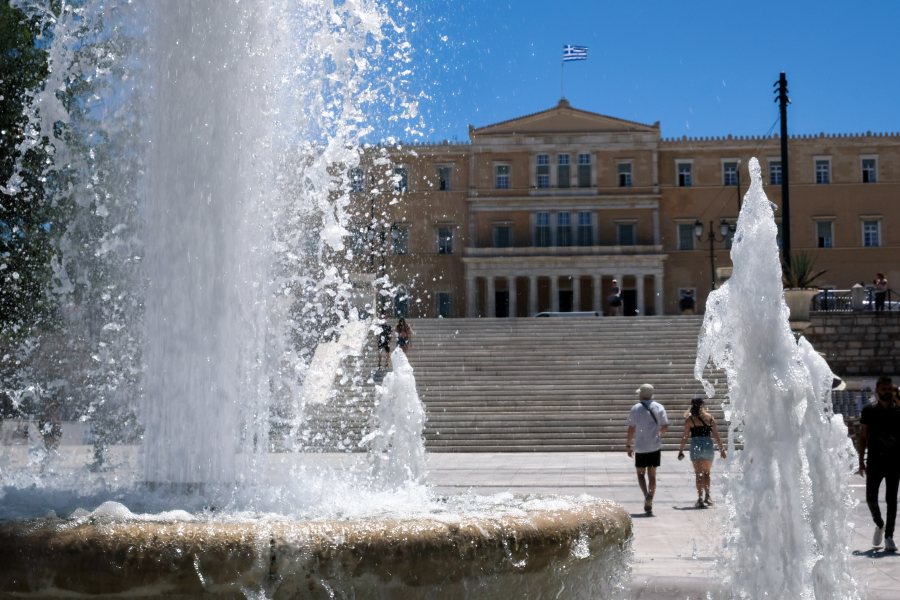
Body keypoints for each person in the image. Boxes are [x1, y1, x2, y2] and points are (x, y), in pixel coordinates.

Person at [859, 375, 900, 552]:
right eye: (883, 388)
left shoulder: (898, 411)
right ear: (876, 390)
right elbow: (863, 437)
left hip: (894, 460)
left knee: (891, 500)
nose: (886, 391)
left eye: (889, 388)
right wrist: (861, 461)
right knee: (870, 499)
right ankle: (880, 524)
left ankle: (889, 536)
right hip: (874, 460)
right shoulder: (868, 410)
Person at [626, 383, 670, 514]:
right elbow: (665, 426)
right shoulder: (659, 407)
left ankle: (646, 494)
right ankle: (651, 497)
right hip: (654, 446)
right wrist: (658, 435)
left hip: (640, 446)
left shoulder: (635, 408)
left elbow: (631, 428)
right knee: (652, 475)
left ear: (641, 394)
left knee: (640, 474)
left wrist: (628, 445)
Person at [677, 396, 726, 507]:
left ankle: (699, 498)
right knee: (707, 473)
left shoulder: (689, 420)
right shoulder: (710, 418)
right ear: (703, 405)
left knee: (698, 474)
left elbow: (685, 436)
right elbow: (716, 435)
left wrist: (681, 450)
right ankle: (707, 496)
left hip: (696, 447)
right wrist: (722, 449)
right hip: (708, 447)